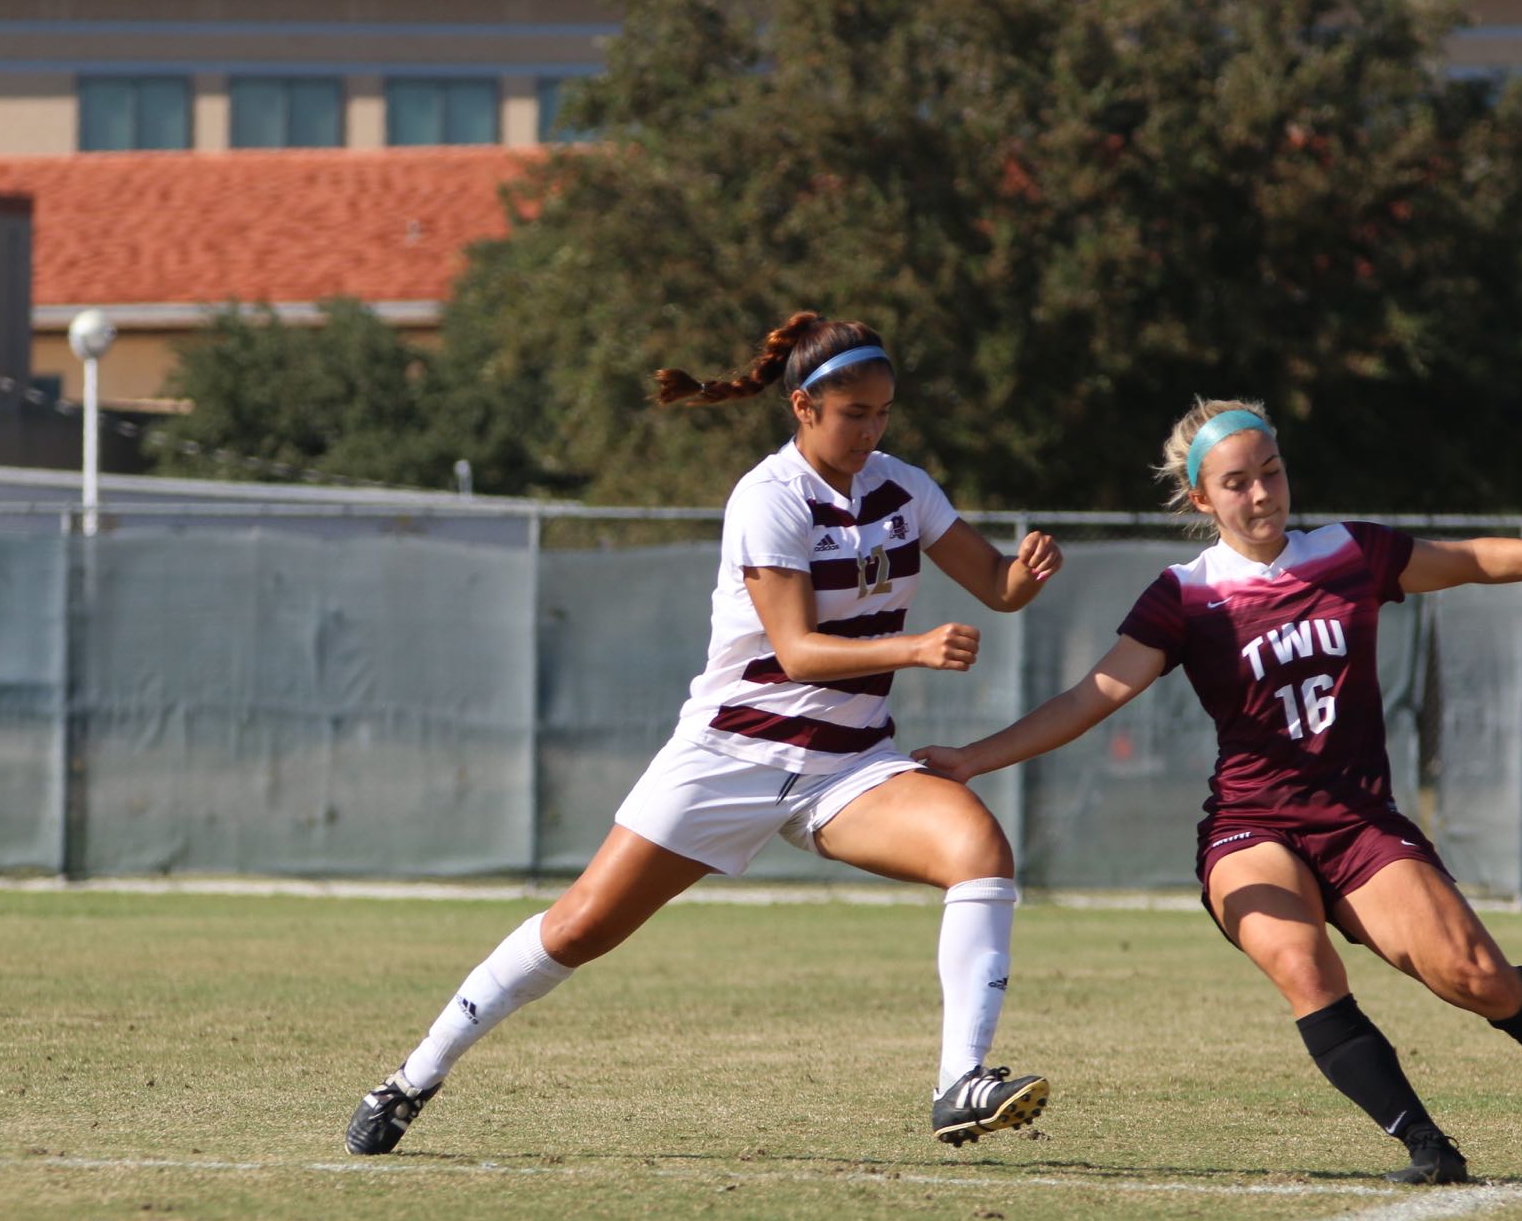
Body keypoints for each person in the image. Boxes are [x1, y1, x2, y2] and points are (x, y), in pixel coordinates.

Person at [913, 399, 1522, 1189]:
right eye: (1237, 482)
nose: (1260, 493)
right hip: (1249, 828)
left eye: (1272, 471)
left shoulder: (1348, 554)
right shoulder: (1185, 594)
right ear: (1202, 498)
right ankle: (1427, 1145)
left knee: (1482, 977)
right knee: (1304, 964)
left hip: (1360, 825)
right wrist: (973, 760)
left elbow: (1468, 559)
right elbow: (1089, 698)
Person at [347, 312, 1065, 1155]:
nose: (872, 429)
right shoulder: (768, 498)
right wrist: (911, 646)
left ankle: (959, 1084)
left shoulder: (905, 488)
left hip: (846, 766)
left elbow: (997, 587)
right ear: (803, 405)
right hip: (730, 757)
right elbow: (796, 651)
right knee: (579, 926)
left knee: (978, 847)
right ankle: (412, 1078)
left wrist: (1026, 571)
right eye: (854, 413)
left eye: (883, 412)